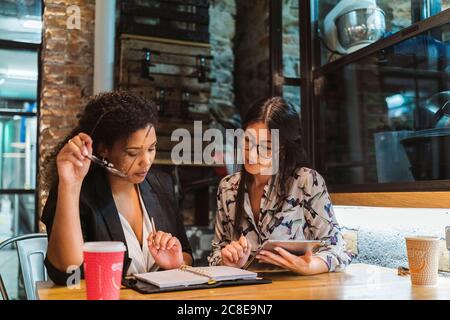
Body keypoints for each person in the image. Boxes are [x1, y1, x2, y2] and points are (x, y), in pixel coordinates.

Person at [41, 91, 192, 285]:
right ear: (104, 149)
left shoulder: (161, 184)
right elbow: (67, 273)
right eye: (132, 153)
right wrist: (70, 185)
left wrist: (177, 262)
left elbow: (187, 255)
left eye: (151, 149)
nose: (146, 162)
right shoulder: (78, 192)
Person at [208, 97, 353, 275]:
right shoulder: (228, 187)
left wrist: (308, 266)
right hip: (247, 293)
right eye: (247, 142)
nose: (252, 155)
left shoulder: (305, 182)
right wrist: (228, 261)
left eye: (266, 147)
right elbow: (215, 253)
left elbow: (338, 249)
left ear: (283, 149)